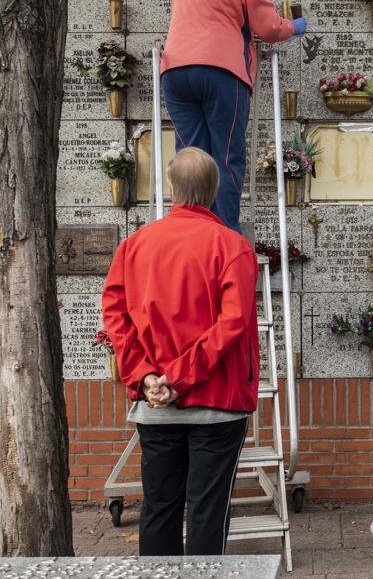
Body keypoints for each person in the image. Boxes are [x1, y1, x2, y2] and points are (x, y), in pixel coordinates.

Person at [101, 147, 261, 557]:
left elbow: (116, 317)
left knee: (159, 507)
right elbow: (234, 323)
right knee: (207, 510)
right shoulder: (232, 247)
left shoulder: (134, 246)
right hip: (216, 402)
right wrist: (178, 377)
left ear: (171, 188)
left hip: (154, 402)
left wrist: (148, 376)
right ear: (213, 191)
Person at [159, 0, 306, 234]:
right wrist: (294, 26)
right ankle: (224, 235)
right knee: (226, 157)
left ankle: (189, 232)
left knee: (192, 156)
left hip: (175, 71)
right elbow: (267, 27)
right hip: (221, 71)